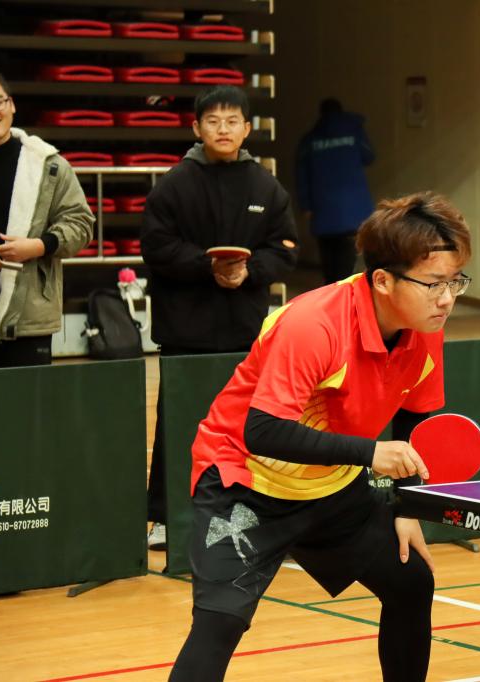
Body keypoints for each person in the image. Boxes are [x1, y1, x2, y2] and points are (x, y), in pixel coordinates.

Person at [167, 191, 471, 681]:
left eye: (455, 281)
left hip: (328, 486)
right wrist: (371, 454)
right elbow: (262, 430)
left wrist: (407, 505)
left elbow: (415, 415)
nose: (447, 299)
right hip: (244, 483)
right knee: (220, 623)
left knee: (411, 581)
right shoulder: (313, 324)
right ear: (383, 280)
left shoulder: (425, 324)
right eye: (434, 283)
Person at [141, 85, 298, 548]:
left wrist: (251, 271)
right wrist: (205, 267)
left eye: (232, 121)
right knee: (177, 425)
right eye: (213, 121)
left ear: (247, 129)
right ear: (196, 128)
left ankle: (249, 514)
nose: (223, 129)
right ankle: (166, 518)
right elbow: (155, 246)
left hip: (244, 330)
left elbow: (285, 248)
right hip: (183, 330)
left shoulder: (266, 186)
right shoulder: (174, 184)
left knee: (247, 425)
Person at [0, 67, 93, 369]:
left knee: (27, 400)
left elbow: (80, 223)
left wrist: (40, 246)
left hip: (29, 316)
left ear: (11, 105)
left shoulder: (48, 164)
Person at [295, 98, 375, 284]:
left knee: (329, 263)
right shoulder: (354, 132)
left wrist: (306, 205)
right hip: (353, 211)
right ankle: (345, 293)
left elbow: (301, 174)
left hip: (323, 209)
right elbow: (369, 156)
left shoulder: (310, 140)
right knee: (348, 262)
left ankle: (331, 290)